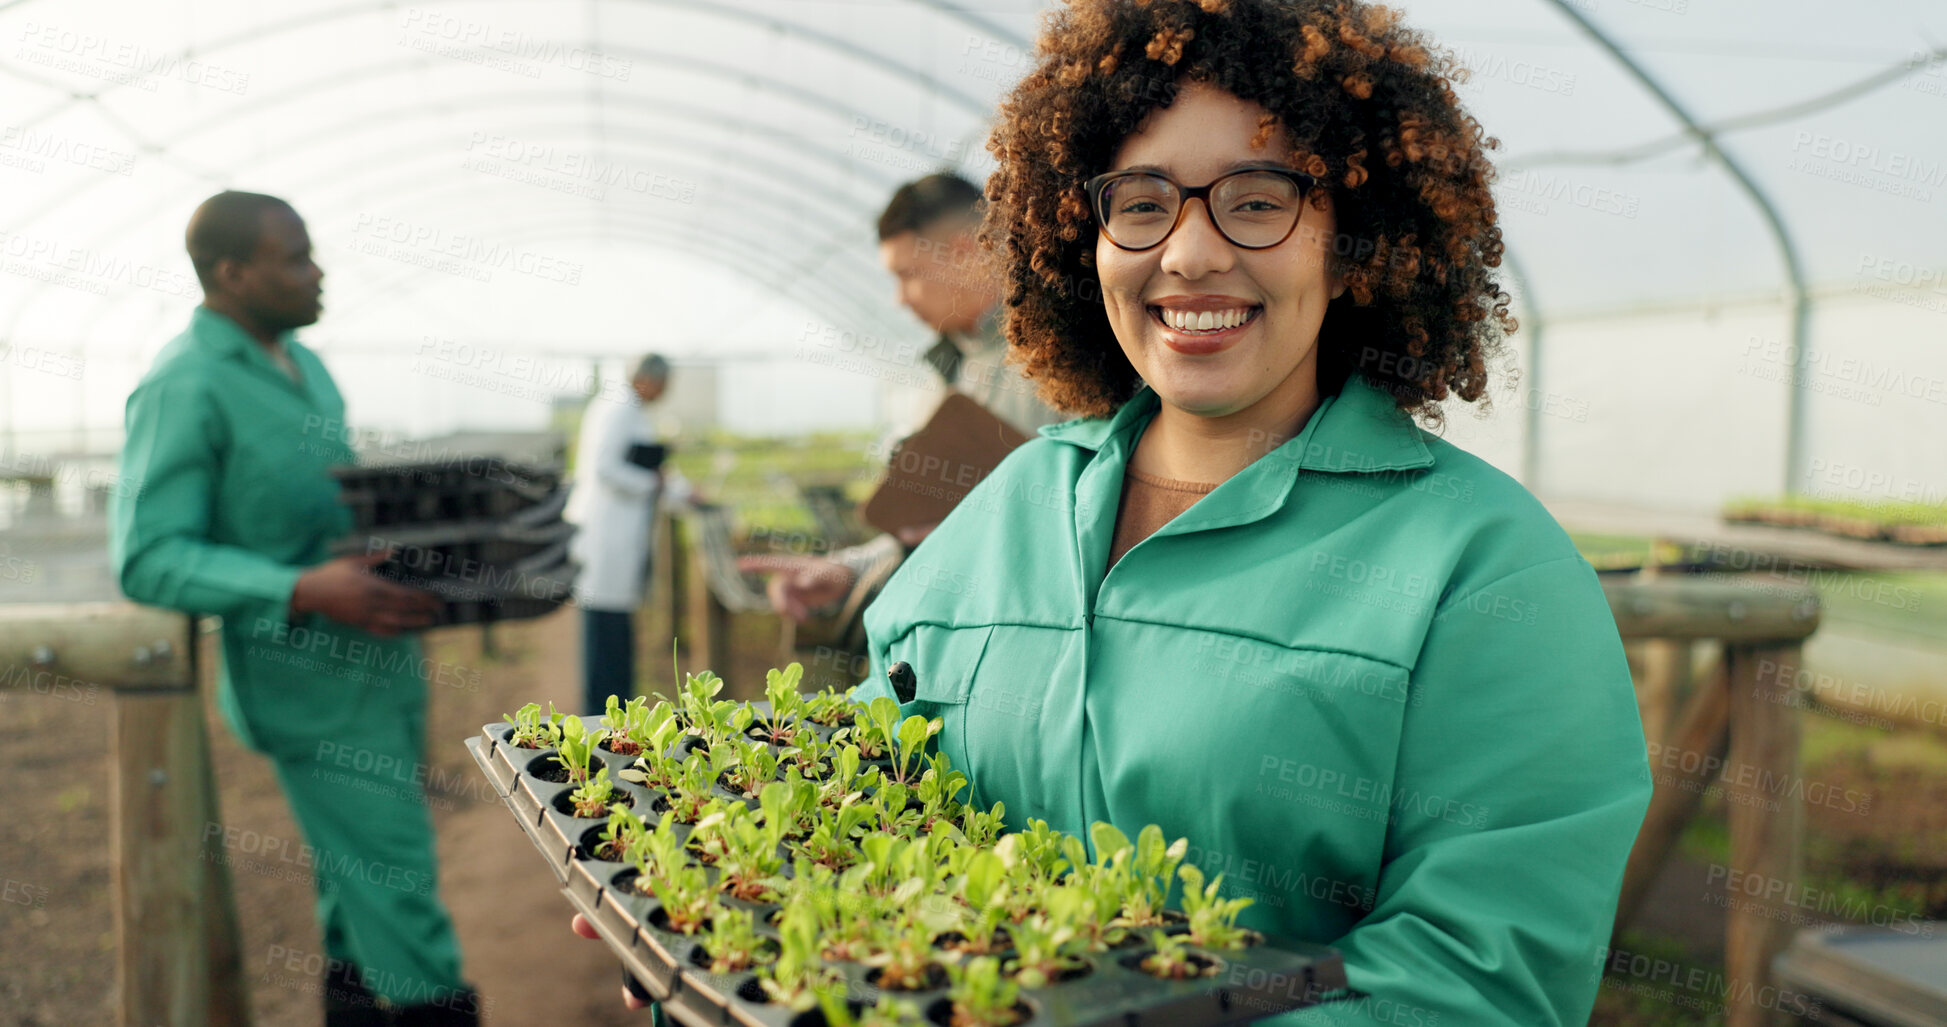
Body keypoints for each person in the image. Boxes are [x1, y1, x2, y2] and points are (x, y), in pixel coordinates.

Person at [845, 1, 1654, 1024]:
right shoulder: (1013, 503)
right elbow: (864, 782)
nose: (1186, 254)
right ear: (1079, 235)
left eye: (1257, 199)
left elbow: (1477, 979)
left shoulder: (1484, 570)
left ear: (1352, 237)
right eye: (1140, 203)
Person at [111, 192, 477, 1026]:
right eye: (296, 258)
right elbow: (147, 556)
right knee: (399, 887)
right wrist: (302, 586)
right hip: (308, 689)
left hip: (378, 666)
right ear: (230, 273)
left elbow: (319, 508)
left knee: (352, 897)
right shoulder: (184, 383)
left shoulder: (303, 366)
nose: (318, 274)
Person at [741, 174, 1065, 631]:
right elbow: (932, 527)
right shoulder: (958, 365)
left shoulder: (1065, 364)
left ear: (963, 253)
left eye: (907, 275)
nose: (898, 300)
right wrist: (852, 569)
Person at [565, 354, 694, 714]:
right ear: (647, 379)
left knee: (612, 633)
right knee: (604, 633)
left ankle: (615, 713)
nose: (665, 392)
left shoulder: (625, 408)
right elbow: (606, 468)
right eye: (664, 383)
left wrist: (669, 487)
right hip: (606, 536)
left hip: (615, 534)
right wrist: (654, 483)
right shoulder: (619, 409)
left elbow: (642, 468)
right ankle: (602, 718)